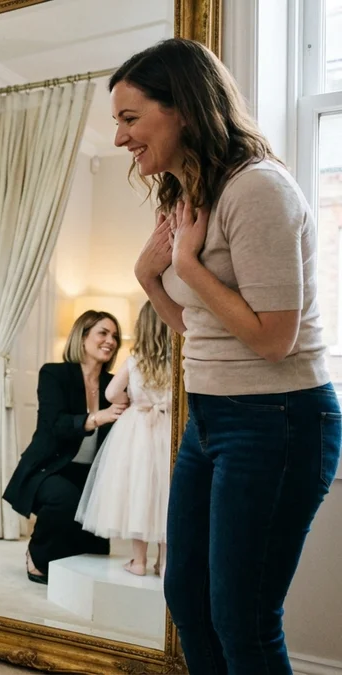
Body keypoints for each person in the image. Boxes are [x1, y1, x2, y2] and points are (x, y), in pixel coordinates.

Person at [116, 38, 340, 673]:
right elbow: (200, 328)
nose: (121, 139)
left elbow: (273, 338)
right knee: (188, 597)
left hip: (279, 418)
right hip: (211, 419)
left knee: (243, 617)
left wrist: (185, 262)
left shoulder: (257, 190)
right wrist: (150, 278)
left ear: (182, 107)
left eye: (131, 119)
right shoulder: (188, 195)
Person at [2, 310, 125, 584]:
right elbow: (55, 424)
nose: (111, 341)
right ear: (82, 338)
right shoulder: (54, 374)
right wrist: (97, 417)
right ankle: (37, 556)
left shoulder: (114, 384)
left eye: (115, 336)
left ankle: (73, 561)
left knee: (94, 538)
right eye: (103, 333)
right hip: (51, 467)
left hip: (91, 473)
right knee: (66, 500)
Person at [75, 301, 172, 577]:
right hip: (166, 429)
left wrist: (126, 399)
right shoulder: (179, 363)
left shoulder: (134, 362)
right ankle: (164, 563)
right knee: (164, 494)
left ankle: (138, 561)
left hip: (138, 430)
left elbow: (110, 393)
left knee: (137, 492)